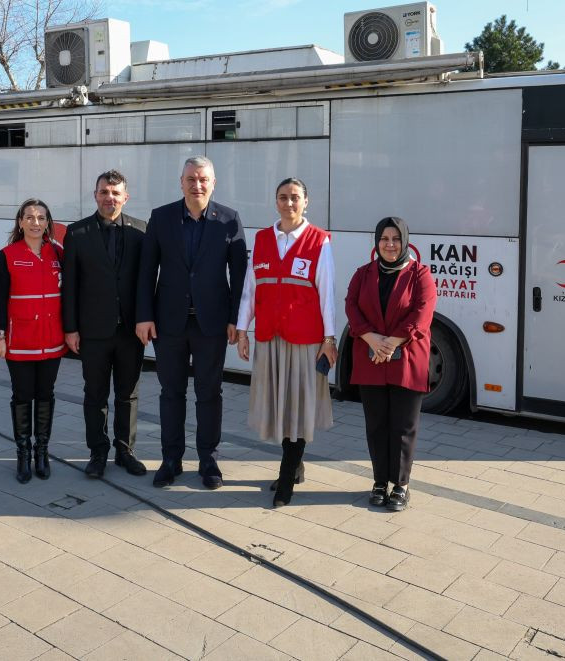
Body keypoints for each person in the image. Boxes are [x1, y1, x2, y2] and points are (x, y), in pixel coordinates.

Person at [137, 156, 247, 489]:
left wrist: (235, 320)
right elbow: (146, 270)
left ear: (213, 183)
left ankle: (208, 459)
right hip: (168, 323)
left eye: (203, 179)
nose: (196, 185)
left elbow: (240, 275)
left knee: (209, 393)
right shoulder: (161, 217)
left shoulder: (229, 220)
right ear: (181, 182)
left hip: (211, 325)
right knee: (171, 393)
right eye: (190, 179)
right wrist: (144, 315)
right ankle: (171, 459)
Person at [235, 178, 336, 507]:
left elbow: (327, 294)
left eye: (295, 197)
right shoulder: (263, 238)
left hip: (304, 340)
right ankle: (295, 466)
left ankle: (286, 478)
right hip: (269, 338)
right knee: (280, 406)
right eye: (283, 197)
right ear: (275, 201)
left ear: (306, 201)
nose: (289, 203)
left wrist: (329, 338)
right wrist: (241, 330)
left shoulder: (319, 241)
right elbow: (252, 289)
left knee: (296, 409)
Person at [344, 217, 435, 512]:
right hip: (372, 358)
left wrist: (391, 343)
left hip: (406, 360)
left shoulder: (420, 275)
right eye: (384, 238)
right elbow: (352, 306)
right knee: (377, 426)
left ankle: (401, 485)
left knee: (404, 427)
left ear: (405, 241)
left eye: (396, 238)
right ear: (376, 242)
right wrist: (372, 339)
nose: (390, 244)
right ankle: (380, 481)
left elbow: (422, 315)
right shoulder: (363, 274)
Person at [61, 170, 149, 478]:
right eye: (103, 192)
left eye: (115, 193)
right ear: (95, 194)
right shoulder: (77, 233)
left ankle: (125, 452)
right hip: (93, 332)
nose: (109, 197)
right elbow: (69, 285)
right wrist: (70, 328)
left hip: (130, 332)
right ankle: (97, 453)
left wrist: (145, 320)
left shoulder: (141, 230)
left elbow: (147, 281)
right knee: (95, 394)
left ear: (125, 197)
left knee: (129, 394)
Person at [0, 199, 65, 483]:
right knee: (22, 397)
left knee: (46, 395)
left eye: (41, 217)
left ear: (48, 222)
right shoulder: (7, 255)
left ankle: (41, 453)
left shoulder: (58, 253)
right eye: (29, 217)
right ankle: (22, 455)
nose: (35, 222)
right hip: (19, 341)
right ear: (19, 222)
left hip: (52, 341)